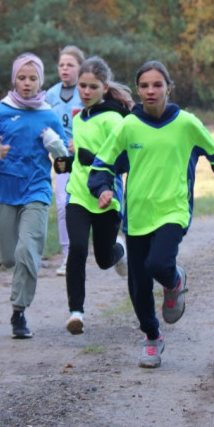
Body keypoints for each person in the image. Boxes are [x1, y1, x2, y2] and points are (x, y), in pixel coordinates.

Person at [89, 60, 214, 369]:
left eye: (157, 85)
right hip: (138, 215)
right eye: (144, 85)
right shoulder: (128, 125)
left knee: (158, 264)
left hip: (174, 209)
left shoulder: (187, 123)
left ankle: (174, 280)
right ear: (138, 90)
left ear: (168, 88)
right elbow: (102, 164)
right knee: (139, 283)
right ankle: (152, 336)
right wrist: (102, 188)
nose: (150, 91)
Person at [0, 52, 68, 338]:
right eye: (22, 78)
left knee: (28, 249)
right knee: (9, 256)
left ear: (41, 81)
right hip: (5, 190)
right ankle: (19, 282)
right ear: (14, 79)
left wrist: (56, 147)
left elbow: (64, 162)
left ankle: (19, 312)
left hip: (37, 189)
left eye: (33, 78)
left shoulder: (49, 115)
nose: (27, 83)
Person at [57, 56, 130, 335]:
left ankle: (119, 249)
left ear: (105, 88)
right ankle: (76, 312)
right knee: (76, 248)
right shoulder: (79, 117)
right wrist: (68, 161)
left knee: (102, 259)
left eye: (92, 87)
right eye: (82, 86)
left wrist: (91, 159)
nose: (85, 92)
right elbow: (82, 159)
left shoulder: (113, 119)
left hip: (106, 195)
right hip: (78, 193)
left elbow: (123, 162)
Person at [45, 46, 86, 276]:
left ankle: (110, 243)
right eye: (61, 65)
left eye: (70, 65)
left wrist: (79, 142)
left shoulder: (87, 92)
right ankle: (67, 255)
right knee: (62, 204)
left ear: (80, 67)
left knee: (90, 205)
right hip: (62, 158)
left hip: (87, 159)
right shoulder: (50, 95)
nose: (65, 69)